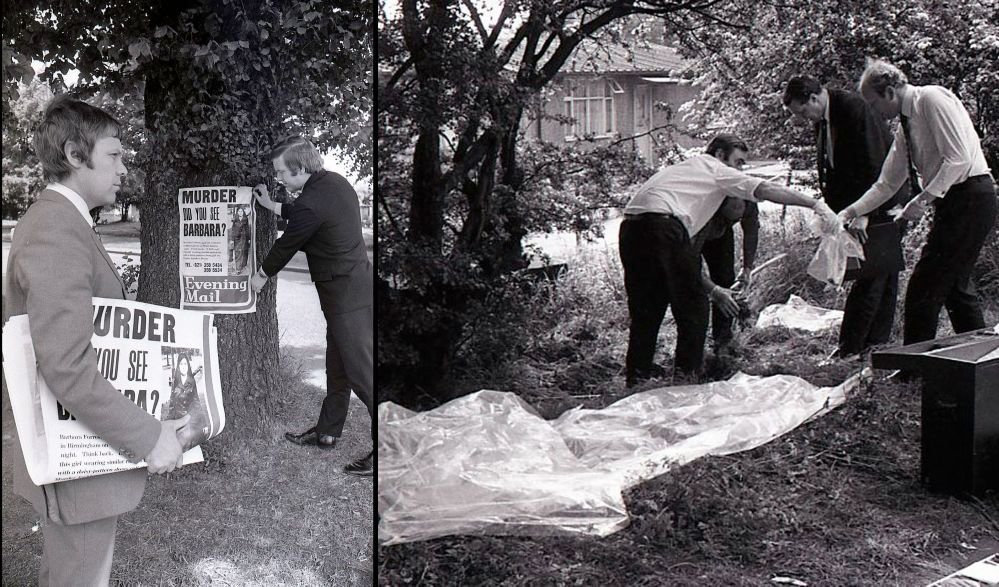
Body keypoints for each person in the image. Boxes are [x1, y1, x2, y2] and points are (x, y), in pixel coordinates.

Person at [4, 95, 189, 586]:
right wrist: (148, 436)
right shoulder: (55, 229)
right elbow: (65, 364)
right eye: (114, 155)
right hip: (75, 454)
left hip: (82, 444)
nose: (124, 168)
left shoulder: (65, 222)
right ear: (73, 155)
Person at [620, 133, 840, 387]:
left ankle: (636, 382)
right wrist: (816, 204)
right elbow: (767, 188)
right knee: (694, 310)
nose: (740, 169)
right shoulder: (715, 169)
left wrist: (731, 278)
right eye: (738, 162)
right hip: (663, 224)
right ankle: (685, 382)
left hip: (631, 227)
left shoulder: (685, 171)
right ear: (720, 155)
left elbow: (690, 259)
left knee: (646, 310)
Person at [838, 59, 997, 346]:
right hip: (955, 202)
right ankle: (979, 361)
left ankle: (913, 366)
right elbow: (887, 183)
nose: (873, 111)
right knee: (955, 289)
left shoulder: (932, 99)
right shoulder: (906, 123)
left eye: (873, 103)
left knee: (924, 286)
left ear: (889, 92)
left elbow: (958, 159)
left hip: (972, 196)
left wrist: (921, 202)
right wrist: (849, 212)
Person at [251, 135, 373, 477]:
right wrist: (271, 205)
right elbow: (303, 214)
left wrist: (260, 276)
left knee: (363, 375)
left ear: (301, 168)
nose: (278, 180)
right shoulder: (334, 183)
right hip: (351, 289)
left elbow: (288, 242)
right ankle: (327, 434)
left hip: (346, 295)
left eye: (282, 174)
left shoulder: (312, 201)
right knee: (338, 367)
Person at [783, 75, 904, 358]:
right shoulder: (824, 118)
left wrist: (865, 213)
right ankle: (874, 346)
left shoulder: (854, 109)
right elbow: (834, 172)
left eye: (802, 111)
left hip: (880, 203)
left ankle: (850, 348)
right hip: (856, 208)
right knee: (882, 276)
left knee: (871, 275)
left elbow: (877, 164)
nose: (803, 118)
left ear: (814, 98)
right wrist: (833, 214)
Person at [692, 197, 759, 354]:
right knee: (692, 285)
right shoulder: (704, 205)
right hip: (695, 229)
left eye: (735, 220)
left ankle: (722, 342)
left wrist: (747, 268)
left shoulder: (749, 200)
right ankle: (694, 347)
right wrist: (713, 290)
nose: (730, 223)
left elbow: (751, 231)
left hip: (720, 235)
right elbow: (689, 262)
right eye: (727, 218)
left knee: (726, 280)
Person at [163, 354, 211, 452]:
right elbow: (172, 405)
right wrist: (166, 424)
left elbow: (196, 402)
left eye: (185, 364)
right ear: (178, 366)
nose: (183, 366)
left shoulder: (191, 381)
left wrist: (204, 424)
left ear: (188, 365)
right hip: (176, 420)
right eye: (181, 364)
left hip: (188, 422)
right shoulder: (175, 381)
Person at [230, 206, 251, 273]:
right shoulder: (235, 219)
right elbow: (233, 230)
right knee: (237, 252)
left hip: (244, 238)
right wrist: (232, 239)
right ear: (237, 212)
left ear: (243, 212)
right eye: (239, 211)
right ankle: (238, 269)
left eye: (241, 211)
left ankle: (243, 266)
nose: (240, 212)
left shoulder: (246, 219)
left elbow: (247, 229)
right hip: (237, 238)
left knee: (244, 252)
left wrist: (249, 238)